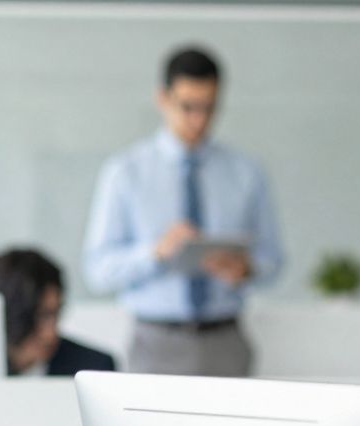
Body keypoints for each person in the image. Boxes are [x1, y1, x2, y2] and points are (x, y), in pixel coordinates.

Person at [81, 45, 283, 377]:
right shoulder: (125, 172)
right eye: (188, 106)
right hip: (155, 342)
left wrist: (248, 268)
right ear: (163, 98)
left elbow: (274, 259)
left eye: (209, 107)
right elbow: (98, 269)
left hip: (225, 339)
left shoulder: (246, 172)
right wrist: (155, 253)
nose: (199, 120)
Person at [0, 247, 116, 377]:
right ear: (7, 314)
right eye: (39, 316)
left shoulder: (93, 370)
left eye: (55, 314)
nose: (50, 333)